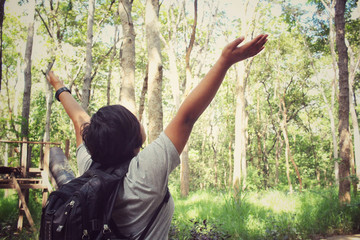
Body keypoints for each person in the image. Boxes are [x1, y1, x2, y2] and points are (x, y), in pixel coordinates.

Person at [46, 34, 268, 239]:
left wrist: (59, 86)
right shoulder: (144, 174)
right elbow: (187, 117)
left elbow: (79, 121)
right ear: (135, 139)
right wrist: (225, 61)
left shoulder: (89, 168)